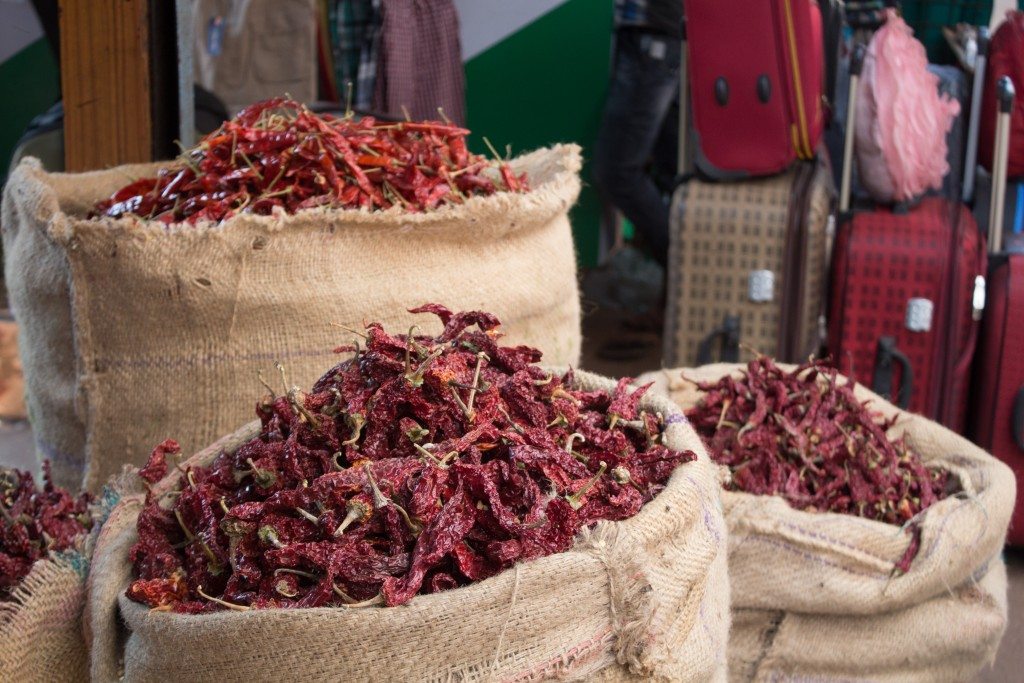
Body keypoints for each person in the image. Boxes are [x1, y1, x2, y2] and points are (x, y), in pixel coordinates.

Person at [593, 0, 683, 269]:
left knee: (616, 172)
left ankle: (686, 268)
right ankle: (683, 284)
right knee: (671, 175)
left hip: (651, 40)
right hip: (656, 38)